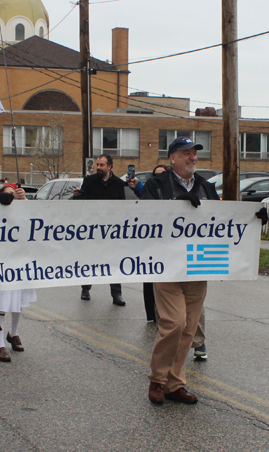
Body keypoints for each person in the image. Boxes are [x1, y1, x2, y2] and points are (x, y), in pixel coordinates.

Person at [142, 137, 220, 405]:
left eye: (194, 154)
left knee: (188, 328)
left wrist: (253, 216)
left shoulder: (206, 187)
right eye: (186, 153)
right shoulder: (157, 185)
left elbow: (222, 220)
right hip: (167, 266)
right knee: (173, 323)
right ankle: (157, 380)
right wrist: (176, 206)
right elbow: (143, 219)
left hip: (198, 266)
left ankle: (175, 383)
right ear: (172, 157)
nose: (192, 158)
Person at [0, 183, 36, 363]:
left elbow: (35, 221)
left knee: (18, 299)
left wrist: (24, 200)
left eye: (14, 194)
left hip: (20, 261)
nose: (11, 197)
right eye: (8, 194)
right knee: (2, 301)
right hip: (1, 262)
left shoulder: (22, 210)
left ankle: (14, 333)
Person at [73, 154, 126, 306]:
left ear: (110, 166)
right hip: (92, 228)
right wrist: (78, 196)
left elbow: (122, 206)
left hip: (111, 229)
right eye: (97, 164)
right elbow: (82, 203)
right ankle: (85, 288)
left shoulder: (118, 183)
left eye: (102, 165)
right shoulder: (89, 181)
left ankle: (117, 294)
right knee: (89, 259)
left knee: (113, 261)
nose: (98, 168)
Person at [127, 164, 168, 322]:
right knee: (149, 278)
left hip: (167, 243)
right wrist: (137, 187)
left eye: (162, 174)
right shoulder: (150, 189)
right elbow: (145, 196)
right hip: (151, 242)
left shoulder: (171, 190)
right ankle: (151, 315)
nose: (159, 178)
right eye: (155, 175)